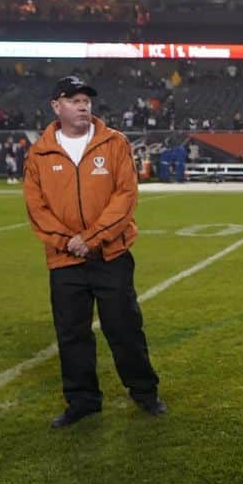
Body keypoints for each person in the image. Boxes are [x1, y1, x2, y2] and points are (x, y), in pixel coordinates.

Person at [23, 75, 165, 427]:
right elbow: (36, 206)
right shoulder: (39, 153)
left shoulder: (114, 143)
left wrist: (92, 237)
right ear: (56, 106)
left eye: (86, 99)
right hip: (64, 260)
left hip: (111, 255)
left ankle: (144, 392)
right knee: (72, 333)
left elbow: (125, 196)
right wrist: (68, 241)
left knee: (124, 327)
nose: (83, 104)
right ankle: (82, 400)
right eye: (73, 99)